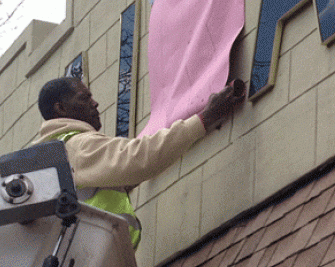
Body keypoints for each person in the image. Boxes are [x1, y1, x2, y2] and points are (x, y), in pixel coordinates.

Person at [37, 77, 245, 249]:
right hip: (84, 258)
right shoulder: (77, 146)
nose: (95, 103)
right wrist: (205, 118)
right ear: (61, 108)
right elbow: (139, 157)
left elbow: (105, 184)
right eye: (85, 97)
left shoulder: (51, 156)